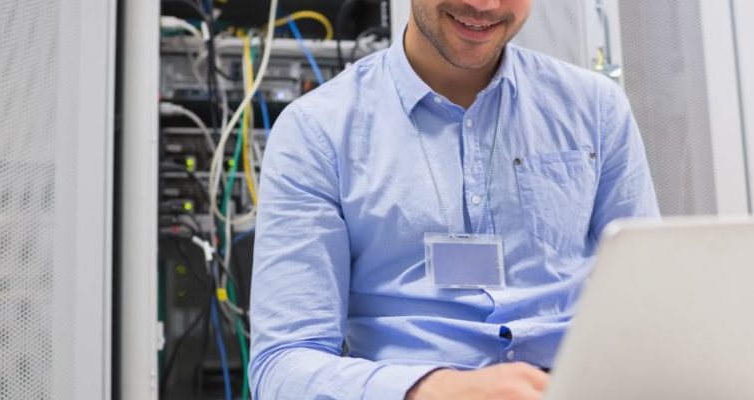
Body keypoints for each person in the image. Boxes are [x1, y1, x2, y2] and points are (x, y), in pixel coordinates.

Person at [248, 0, 659, 398]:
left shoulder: (595, 109)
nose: (483, 4)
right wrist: (432, 389)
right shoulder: (318, 132)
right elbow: (282, 364)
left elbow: (652, 306)